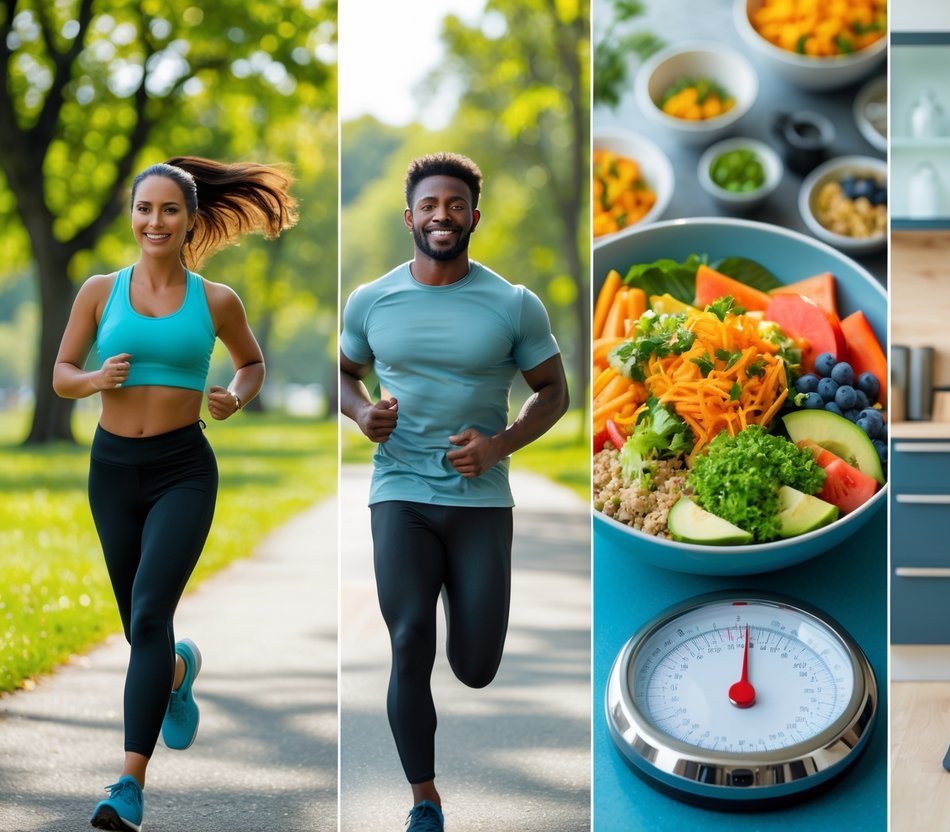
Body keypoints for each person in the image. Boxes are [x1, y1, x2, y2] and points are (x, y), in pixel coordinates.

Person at [53, 157, 297, 829]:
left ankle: (127, 784)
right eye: (143, 209)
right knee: (141, 627)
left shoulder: (215, 299)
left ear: (191, 220)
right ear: (133, 217)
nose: (153, 221)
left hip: (183, 469)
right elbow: (61, 375)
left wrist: (236, 396)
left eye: (167, 210)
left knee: (151, 612)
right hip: (112, 469)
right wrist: (96, 379)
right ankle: (177, 673)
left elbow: (252, 363)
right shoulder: (99, 291)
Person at [339, 151, 569, 832]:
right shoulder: (370, 300)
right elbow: (344, 374)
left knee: (473, 667)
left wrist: (499, 445)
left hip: (480, 505)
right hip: (400, 493)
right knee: (410, 640)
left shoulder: (512, 304)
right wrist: (360, 413)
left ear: (474, 216)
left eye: (456, 205)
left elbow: (554, 392)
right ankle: (424, 801)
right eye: (430, 205)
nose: (443, 215)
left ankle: (463, 616)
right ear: (409, 217)